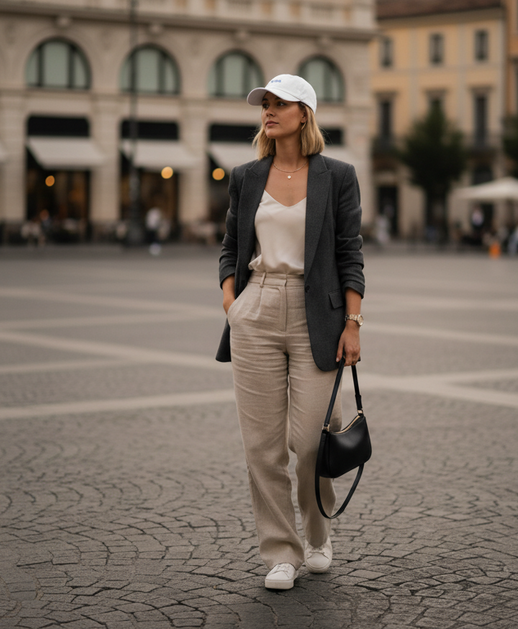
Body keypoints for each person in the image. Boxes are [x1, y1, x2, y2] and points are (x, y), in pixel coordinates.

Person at [216, 74, 365, 591]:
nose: (269, 111)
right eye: (266, 104)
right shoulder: (245, 175)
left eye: (281, 104)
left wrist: (353, 322)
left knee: (309, 440)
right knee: (262, 446)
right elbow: (230, 246)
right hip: (256, 307)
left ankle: (319, 532)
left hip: (316, 312)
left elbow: (351, 253)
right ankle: (281, 552)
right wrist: (234, 304)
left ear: (305, 114)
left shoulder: (338, 176)